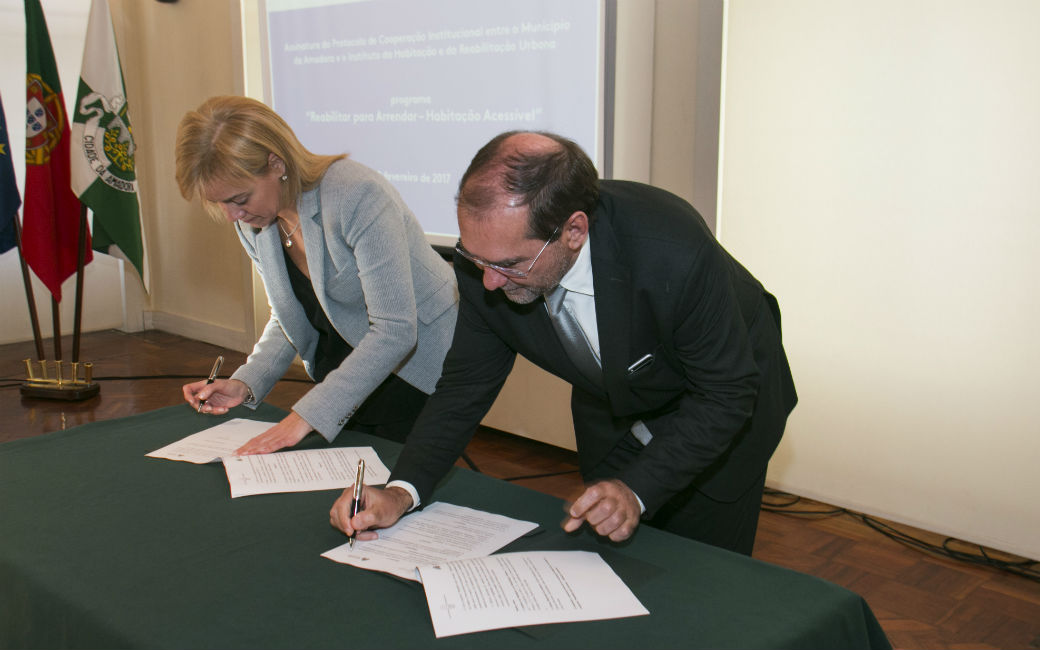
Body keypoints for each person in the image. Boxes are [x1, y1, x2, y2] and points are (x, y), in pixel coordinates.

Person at [331, 130, 797, 556]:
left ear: (574, 231)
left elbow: (725, 392)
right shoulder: (487, 260)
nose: (489, 282)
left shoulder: (671, 249)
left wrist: (637, 490)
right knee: (611, 548)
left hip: (724, 396)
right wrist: (400, 491)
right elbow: (464, 385)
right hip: (614, 397)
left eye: (510, 264)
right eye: (477, 260)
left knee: (702, 569)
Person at [174, 95, 458, 453]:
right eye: (220, 203)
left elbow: (395, 331)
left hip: (416, 369)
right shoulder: (253, 222)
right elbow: (289, 314)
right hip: (343, 370)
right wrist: (245, 382)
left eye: (240, 198)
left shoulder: (355, 194)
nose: (232, 215)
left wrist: (304, 417)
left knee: (384, 492)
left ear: (276, 163)